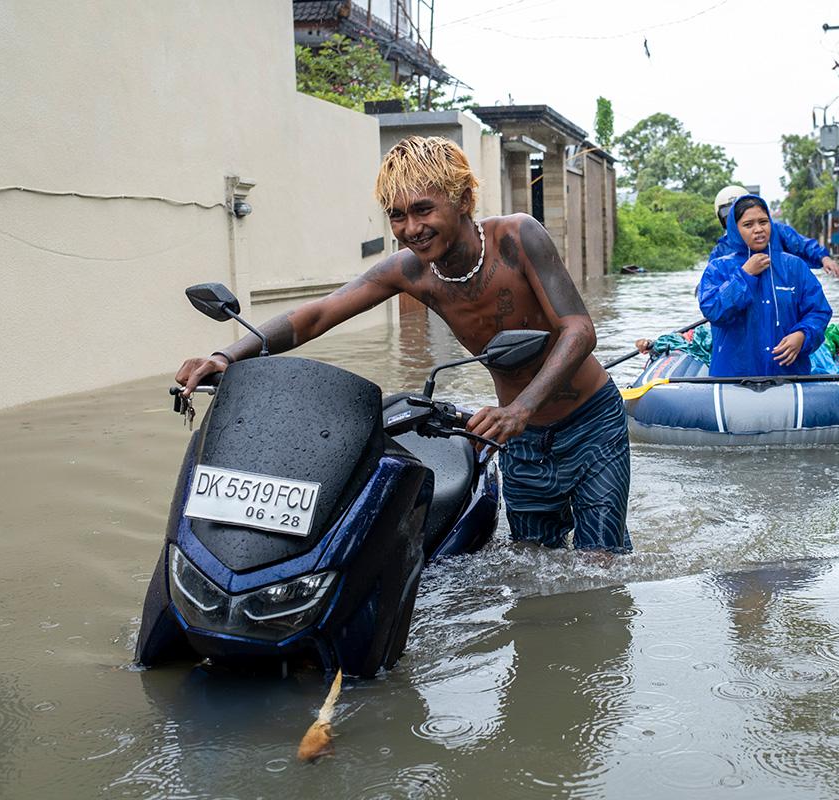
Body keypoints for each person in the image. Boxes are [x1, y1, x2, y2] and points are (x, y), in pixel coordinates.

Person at [176, 136, 632, 554]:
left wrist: (521, 408)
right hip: (520, 440)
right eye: (397, 215)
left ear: (465, 200)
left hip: (590, 422)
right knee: (537, 565)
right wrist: (226, 356)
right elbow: (317, 314)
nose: (411, 228)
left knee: (600, 563)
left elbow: (579, 331)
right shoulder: (410, 271)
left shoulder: (516, 238)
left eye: (423, 210)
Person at [696, 194, 832, 377]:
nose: (758, 229)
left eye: (763, 222)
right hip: (733, 379)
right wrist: (745, 275)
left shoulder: (794, 266)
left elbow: (819, 311)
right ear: (735, 229)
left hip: (788, 375)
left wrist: (802, 335)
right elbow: (712, 310)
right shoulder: (718, 268)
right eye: (748, 225)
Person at [711, 184, 839, 277]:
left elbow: (802, 245)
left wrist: (824, 258)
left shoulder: (777, 232)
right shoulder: (720, 252)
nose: (757, 230)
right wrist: (746, 274)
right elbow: (713, 292)